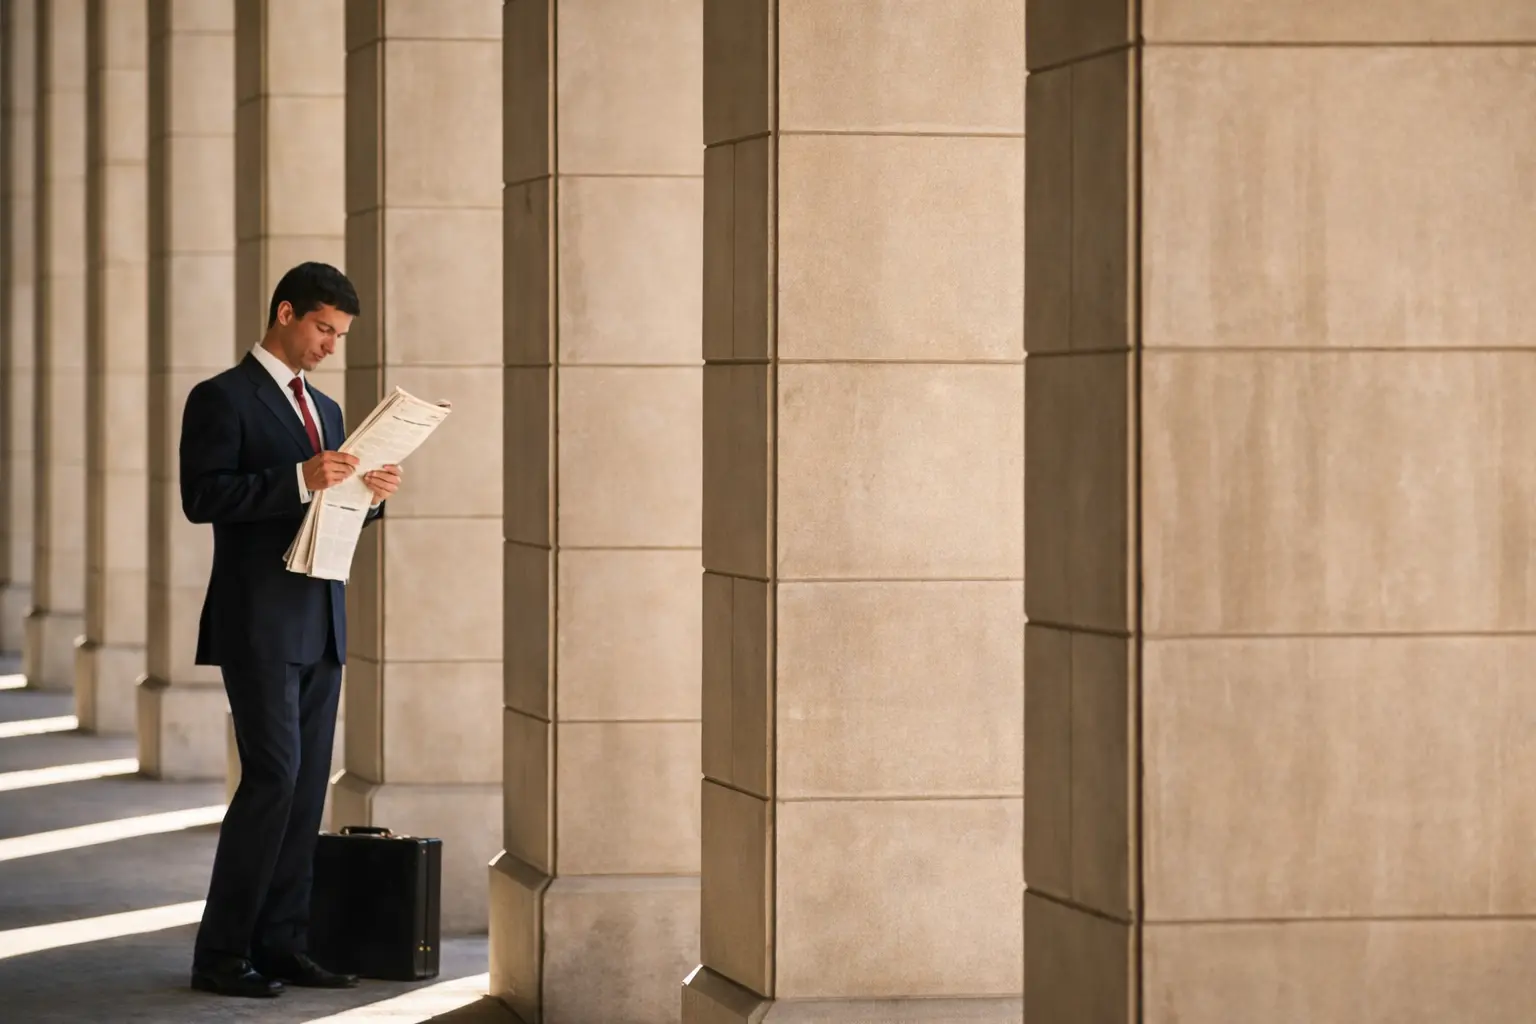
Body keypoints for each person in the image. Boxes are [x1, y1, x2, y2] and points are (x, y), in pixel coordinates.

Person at [180, 262, 400, 998]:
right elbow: (202, 496)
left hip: (321, 618)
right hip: (258, 620)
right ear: (284, 312)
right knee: (271, 779)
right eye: (322, 329)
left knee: (306, 789)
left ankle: (281, 946)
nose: (329, 345)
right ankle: (220, 956)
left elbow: (330, 509)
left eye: (339, 335)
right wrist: (300, 479)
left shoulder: (332, 411)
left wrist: (369, 497)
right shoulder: (220, 398)